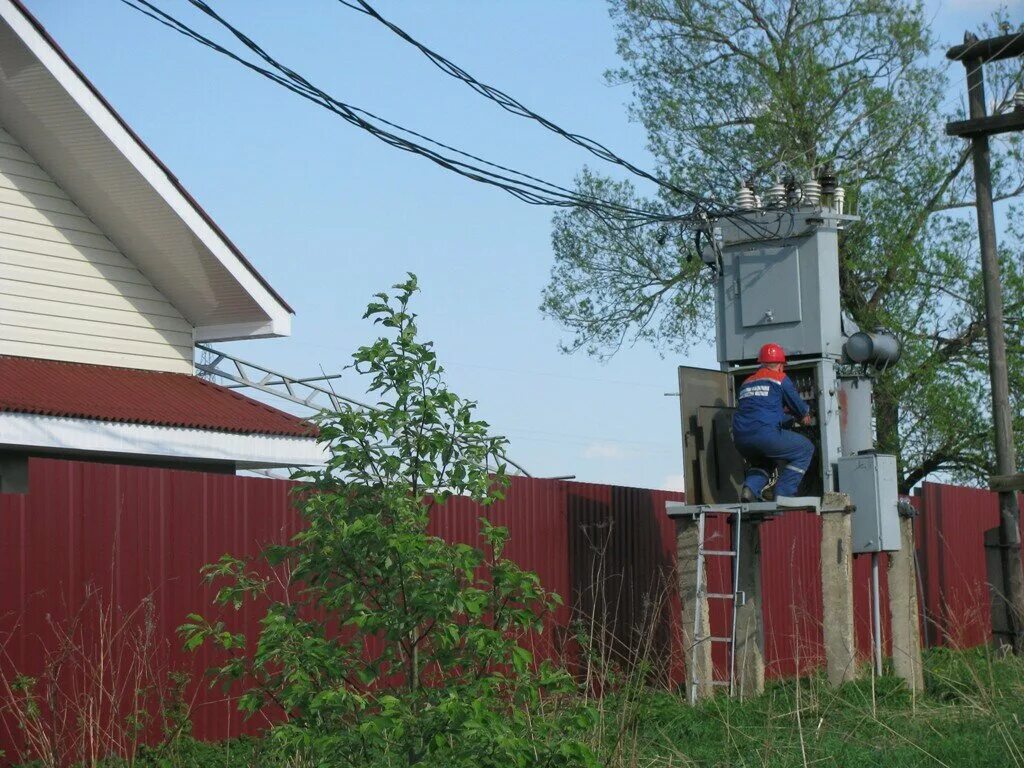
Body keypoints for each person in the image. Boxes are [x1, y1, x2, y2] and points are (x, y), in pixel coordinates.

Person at [732, 343, 814, 501]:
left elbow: (761, 411)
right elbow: (801, 409)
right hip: (765, 436)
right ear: (781, 365)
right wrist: (804, 417)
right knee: (806, 449)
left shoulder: (746, 383)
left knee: (765, 461)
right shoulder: (780, 378)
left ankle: (750, 490)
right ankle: (784, 493)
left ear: (761, 363)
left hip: (741, 439)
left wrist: (786, 418)